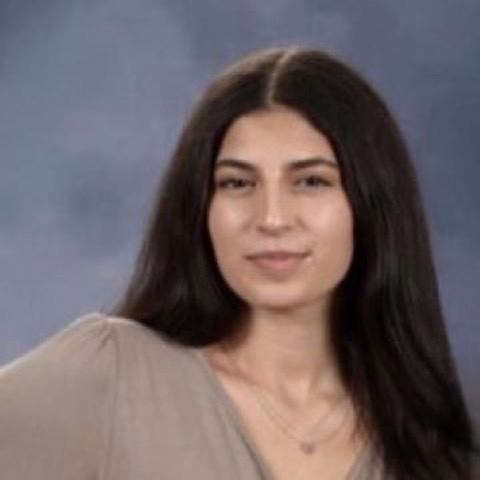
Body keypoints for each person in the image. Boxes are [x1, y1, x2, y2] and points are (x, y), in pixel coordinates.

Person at [0, 46, 477, 480]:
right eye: (237, 183)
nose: (271, 218)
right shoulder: (115, 375)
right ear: (200, 206)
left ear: (371, 204)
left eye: (311, 181)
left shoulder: (437, 435)